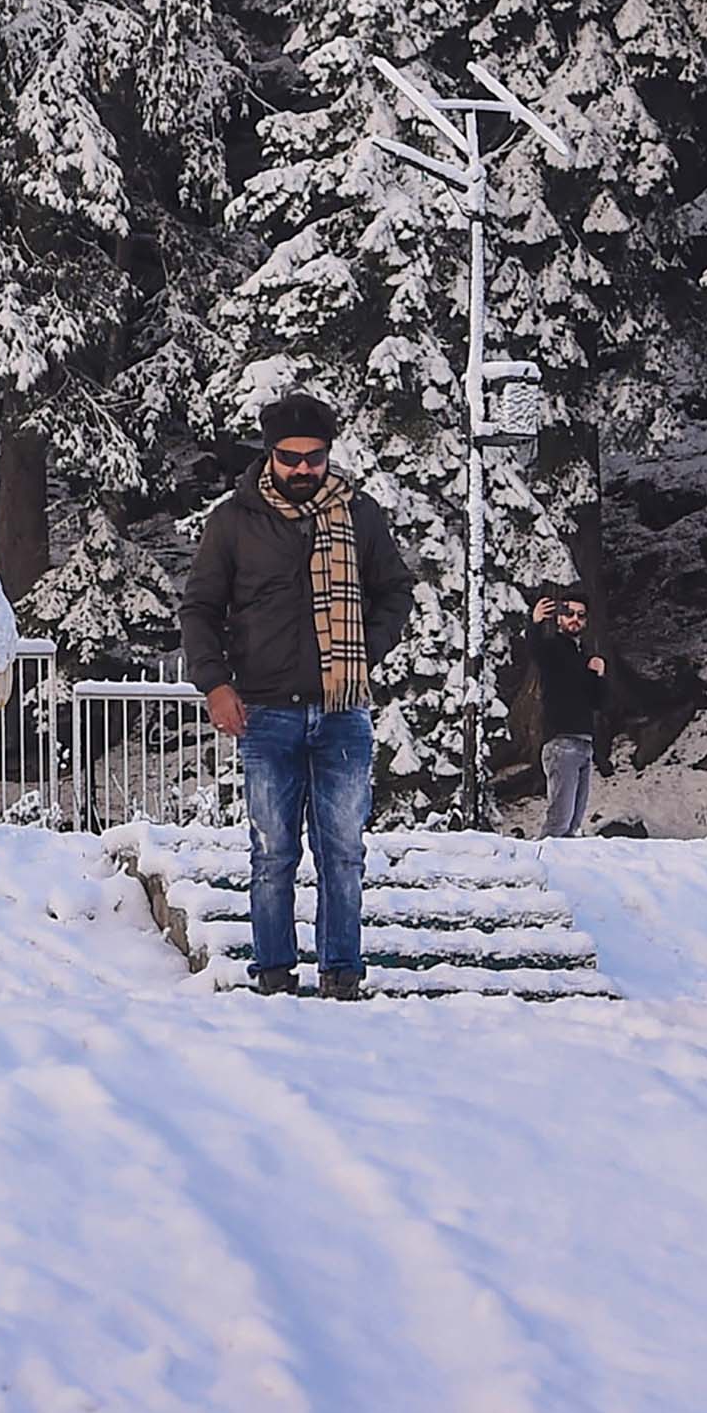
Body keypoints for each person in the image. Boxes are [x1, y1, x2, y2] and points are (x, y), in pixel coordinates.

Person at [178, 392, 414, 996]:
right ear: (270, 454)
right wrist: (216, 683)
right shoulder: (233, 521)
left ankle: (342, 975)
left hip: (342, 712)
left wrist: (366, 646)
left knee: (343, 853)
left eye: (315, 458)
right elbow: (201, 609)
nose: (304, 469)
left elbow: (395, 591)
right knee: (272, 854)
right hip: (263, 711)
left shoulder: (359, 515)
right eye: (290, 457)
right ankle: (275, 975)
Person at [521, 589, 609, 838]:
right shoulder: (553, 649)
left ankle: (562, 872)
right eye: (569, 613)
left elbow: (598, 702)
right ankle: (538, 867)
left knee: (572, 825)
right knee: (559, 822)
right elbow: (535, 649)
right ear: (559, 618)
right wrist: (535, 622)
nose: (575, 619)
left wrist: (598, 676)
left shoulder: (583, 656)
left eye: (581, 615)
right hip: (561, 743)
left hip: (584, 744)